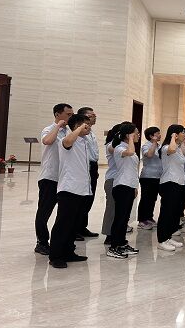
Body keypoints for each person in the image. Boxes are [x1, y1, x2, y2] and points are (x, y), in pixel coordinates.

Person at [48, 114, 92, 268]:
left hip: (82, 189)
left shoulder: (84, 142)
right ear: (77, 126)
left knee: (73, 224)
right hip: (69, 189)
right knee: (63, 224)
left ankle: (68, 252)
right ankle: (55, 256)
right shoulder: (66, 140)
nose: (89, 127)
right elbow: (67, 142)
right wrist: (78, 129)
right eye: (86, 124)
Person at [34, 103, 74, 255]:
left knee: (64, 213)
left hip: (64, 178)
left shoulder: (69, 131)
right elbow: (47, 141)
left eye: (72, 114)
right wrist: (58, 126)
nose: (71, 117)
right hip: (49, 177)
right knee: (44, 212)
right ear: (58, 115)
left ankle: (61, 242)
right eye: (68, 114)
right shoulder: (49, 129)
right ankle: (42, 242)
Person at [107, 123, 140, 259]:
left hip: (129, 186)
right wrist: (130, 139)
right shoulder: (119, 148)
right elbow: (130, 152)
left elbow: (132, 169)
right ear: (128, 135)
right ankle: (113, 247)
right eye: (136, 133)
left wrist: (135, 187)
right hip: (121, 186)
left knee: (125, 218)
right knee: (119, 218)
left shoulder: (128, 147)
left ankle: (122, 243)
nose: (138, 135)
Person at [156, 125, 185, 252]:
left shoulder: (177, 148)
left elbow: (184, 154)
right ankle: (162, 240)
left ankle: (168, 237)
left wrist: (180, 141)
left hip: (178, 183)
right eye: (182, 132)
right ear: (175, 134)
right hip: (169, 183)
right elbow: (171, 149)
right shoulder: (166, 148)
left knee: (173, 213)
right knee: (166, 213)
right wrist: (173, 137)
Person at [76, 107, 99, 239]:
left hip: (93, 166)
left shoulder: (91, 132)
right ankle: (75, 229)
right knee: (82, 199)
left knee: (90, 197)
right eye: (91, 115)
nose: (94, 117)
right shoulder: (79, 133)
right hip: (85, 166)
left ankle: (82, 226)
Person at [101, 123, 124, 245]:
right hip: (112, 180)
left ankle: (117, 232)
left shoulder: (124, 146)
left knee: (119, 209)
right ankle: (108, 234)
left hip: (122, 180)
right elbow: (113, 149)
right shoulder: (112, 145)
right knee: (111, 208)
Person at [137, 126, 163, 230]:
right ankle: (142, 220)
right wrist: (154, 143)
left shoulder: (160, 146)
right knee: (146, 198)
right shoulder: (146, 145)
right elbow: (149, 155)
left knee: (153, 198)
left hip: (158, 176)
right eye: (157, 133)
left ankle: (149, 217)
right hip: (148, 176)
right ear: (151, 136)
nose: (160, 135)